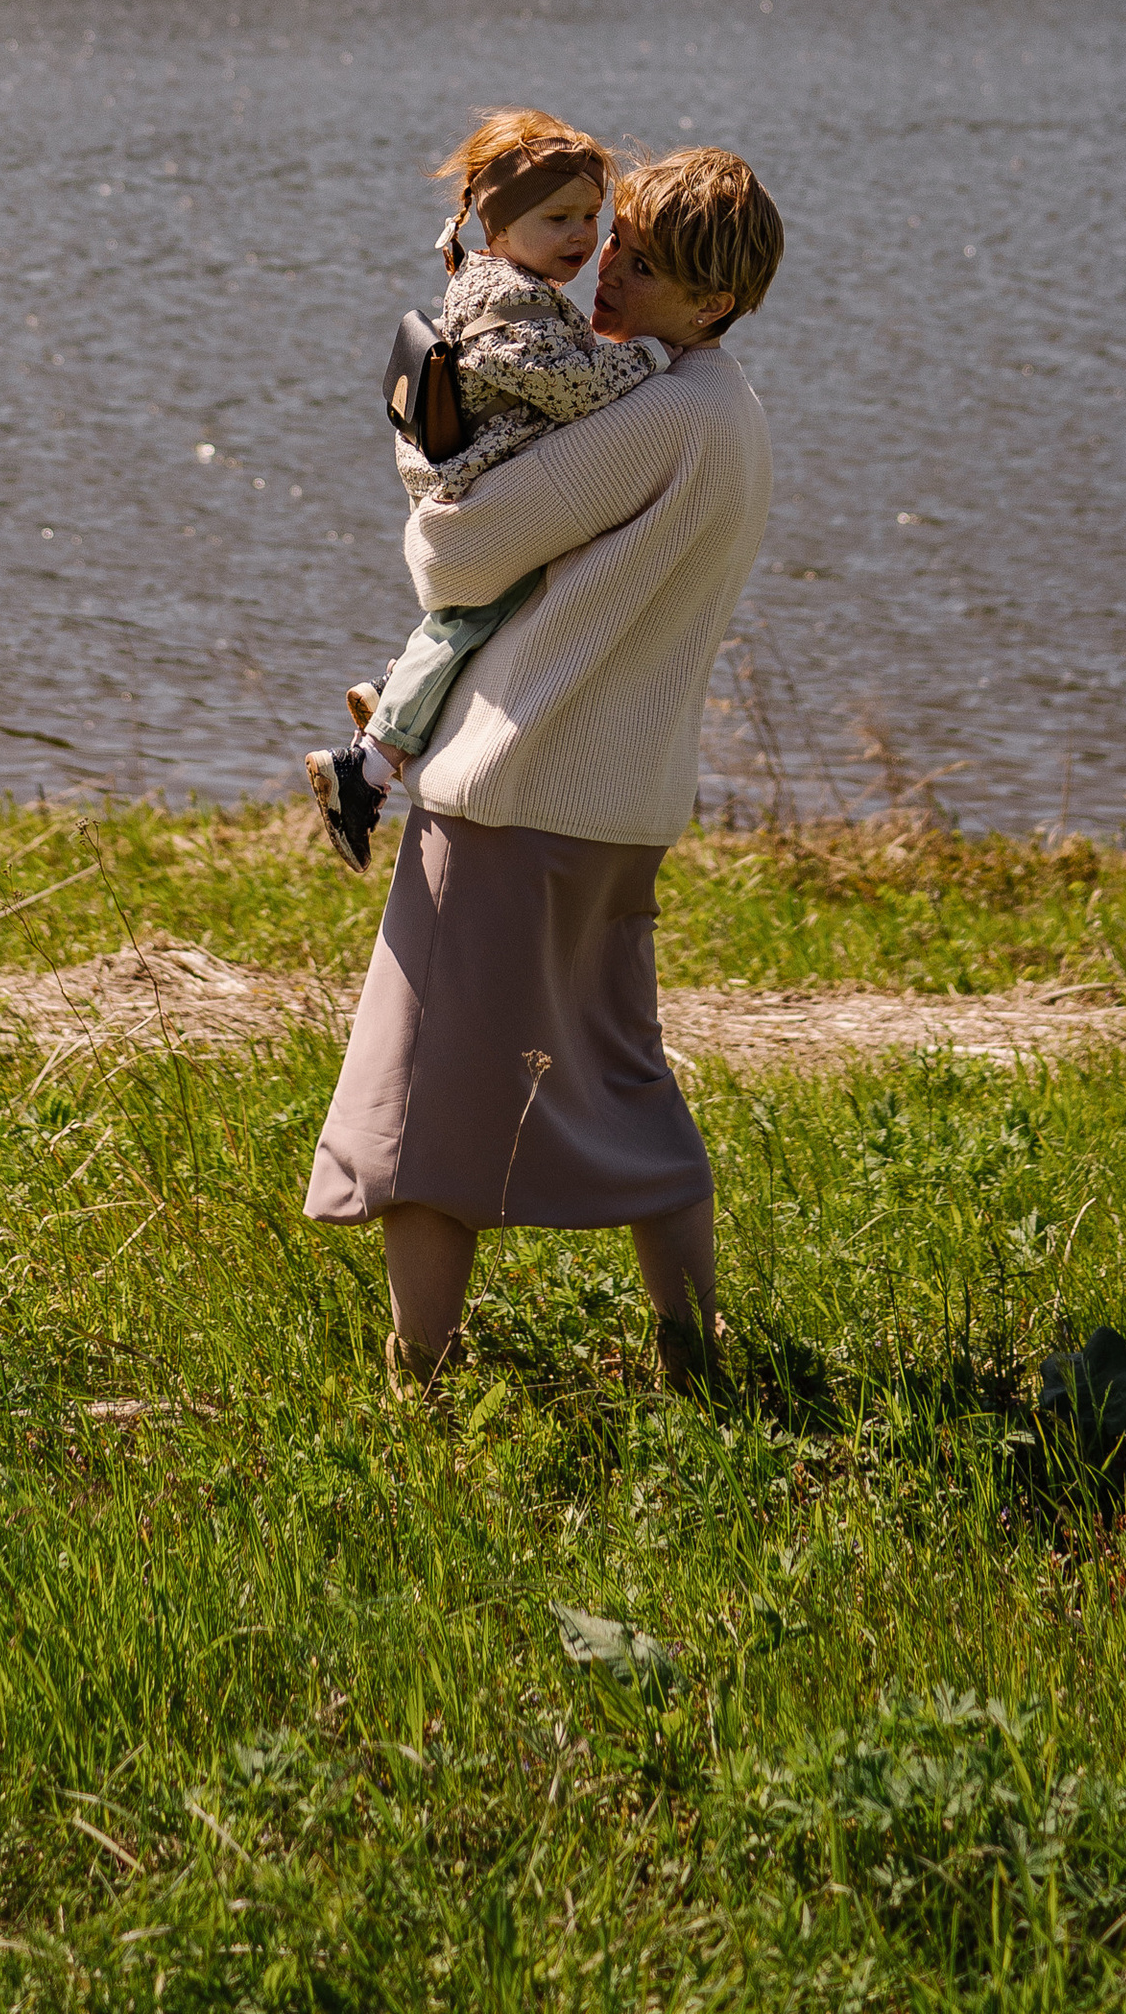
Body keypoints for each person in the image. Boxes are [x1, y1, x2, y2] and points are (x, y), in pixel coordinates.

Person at [303, 143, 785, 1397]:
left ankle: (418, 1380)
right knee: (623, 1073)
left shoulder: (656, 414)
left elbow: (452, 562)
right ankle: (693, 1358)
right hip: (622, 807)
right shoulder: (727, 413)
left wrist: (427, 438)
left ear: (715, 305)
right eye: (616, 244)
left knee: (422, 1098)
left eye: (653, 271)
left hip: (515, 788)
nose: (610, 272)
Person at [304, 109, 674, 875]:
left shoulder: (503, 277)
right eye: (558, 218)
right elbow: (573, 390)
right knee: (487, 614)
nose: (581, 235)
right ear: (499, 224)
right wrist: (651, 355)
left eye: (590, 217)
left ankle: (399, 689)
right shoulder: (509, 306)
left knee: (478, 619)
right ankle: (366, 766)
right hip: (481, 489)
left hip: (483, 474)